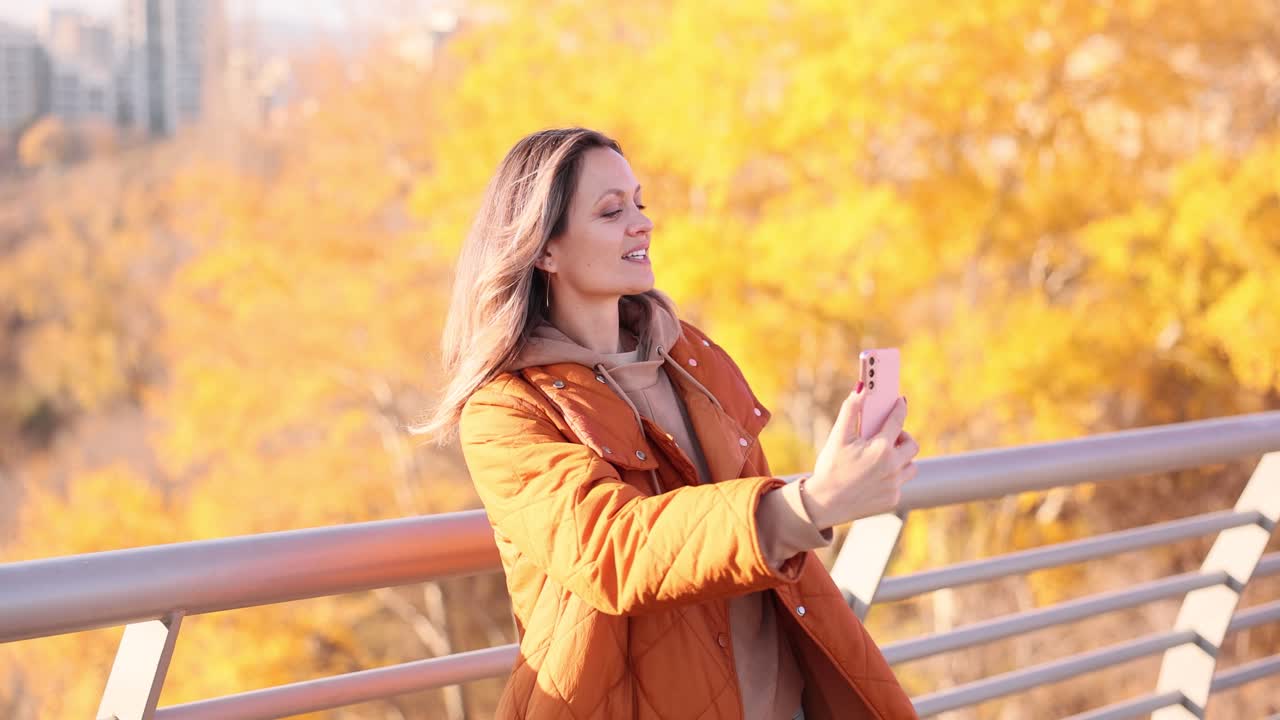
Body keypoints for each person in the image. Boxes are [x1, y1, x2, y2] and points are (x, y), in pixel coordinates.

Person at [414, 127, 921, 720]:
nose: (643, 224)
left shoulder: (692, 358)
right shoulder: (507, 410)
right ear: (544, 249)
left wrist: (844, 482)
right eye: (612, 212)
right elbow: (612, 549)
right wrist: (810, 504)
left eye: (639, 203)